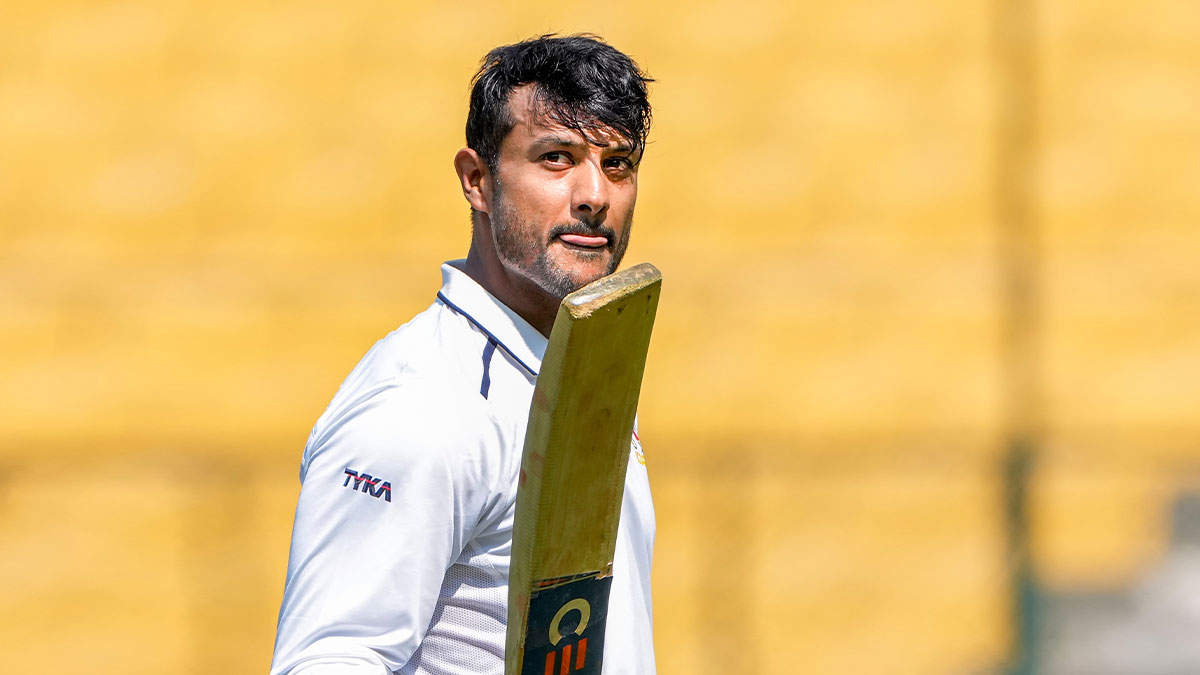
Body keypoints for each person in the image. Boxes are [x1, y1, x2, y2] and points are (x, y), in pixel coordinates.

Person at [269, 34, 656, 675]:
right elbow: (328, 660)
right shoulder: (424, 401)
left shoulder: (574, 368)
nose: (595, 194)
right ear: (477, 181)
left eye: (618, 164)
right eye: (556, 158)